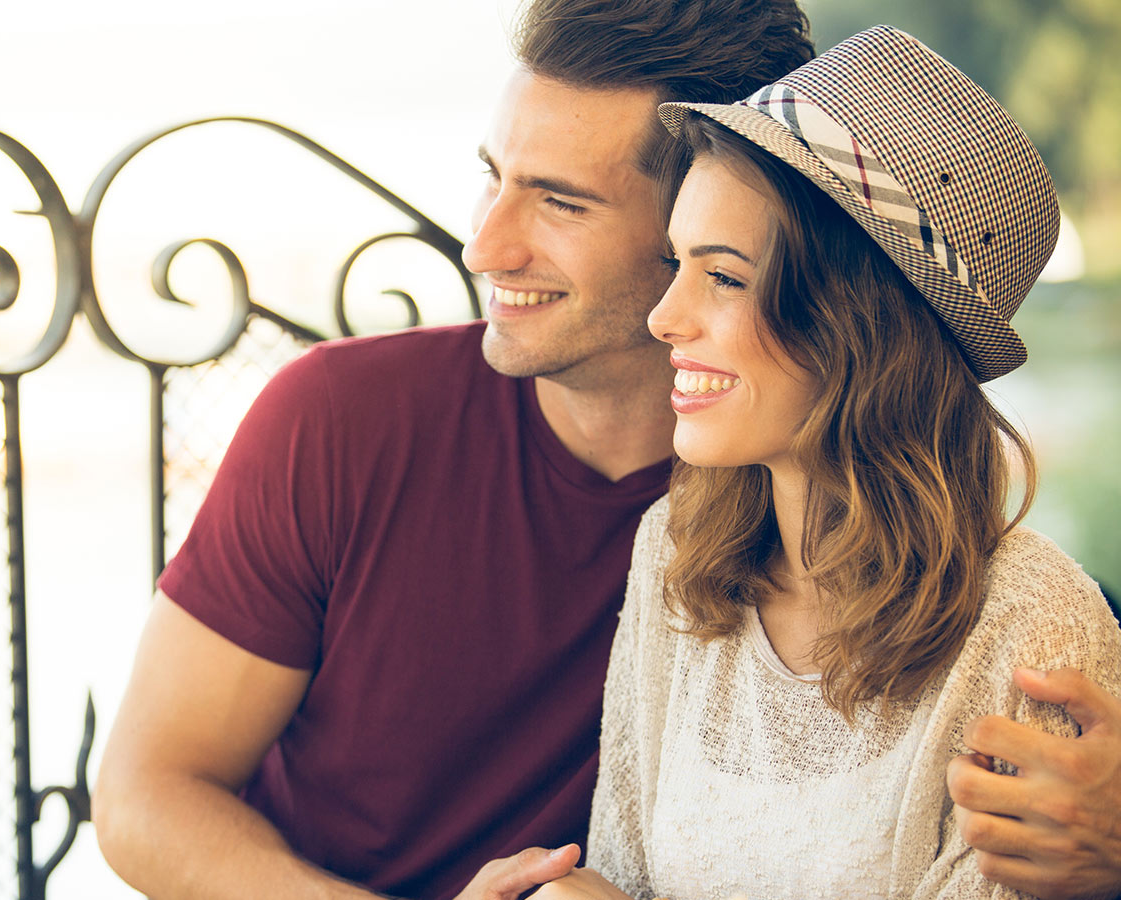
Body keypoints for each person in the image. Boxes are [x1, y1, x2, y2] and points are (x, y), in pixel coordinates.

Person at [90, 1, 1121, 898]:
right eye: (494, 178)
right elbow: (144, 796)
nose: (485, 247)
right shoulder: (352, 424)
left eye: (559, 201)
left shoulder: (802, 506)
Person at [518, 25, 1121, 899]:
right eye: (675, 264)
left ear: (856, 323)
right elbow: (624, 872)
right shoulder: (675, 554)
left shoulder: (1033, 628)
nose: (664, 320)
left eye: (723, 277)